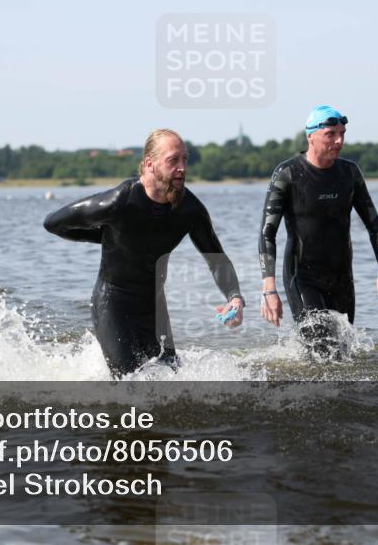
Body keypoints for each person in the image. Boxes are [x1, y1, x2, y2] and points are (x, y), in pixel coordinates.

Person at [44, 129, 245, 378]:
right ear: (150, 164)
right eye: (173, 160)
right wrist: (107, 238)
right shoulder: (120, 201)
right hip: (114, 304)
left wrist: (235, 298)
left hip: (154, 309)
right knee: (130, 384)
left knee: (172, 381)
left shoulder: (190, 210)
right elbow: (54, 223)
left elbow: (217, 260)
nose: (182, 167)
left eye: (185, 159)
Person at [259, 105, 378, 358]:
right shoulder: (288, 173)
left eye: (342, 133)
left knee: (342, 353)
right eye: (331, 134)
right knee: (321, 347)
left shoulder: (349, 173)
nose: (339, 140)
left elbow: (374, 224)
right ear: (310, 135)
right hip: (302, 277)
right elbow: (267, 233)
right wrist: (269, 289)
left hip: (342, 277)